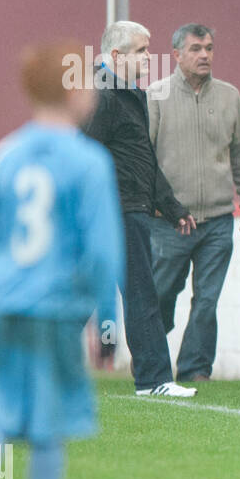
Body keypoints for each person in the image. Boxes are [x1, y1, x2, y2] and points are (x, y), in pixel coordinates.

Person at [0, 42, 124, 479]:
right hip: (56, 309)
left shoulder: (5, 155)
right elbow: (102, 252)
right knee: (49, 425)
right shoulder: (90, 161)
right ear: (74, 90)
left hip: (5, 303)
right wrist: (107, 324)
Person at [83, 21, 198, 398]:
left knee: (117, 293)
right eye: (141, 51)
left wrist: (171, 206)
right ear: (116, 56)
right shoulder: (103, 95)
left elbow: (142, 159)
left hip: (130, 208)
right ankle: (154, 381)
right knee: (138, 293)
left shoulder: (130, 94)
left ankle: (153, 380)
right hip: (116, 210)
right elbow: (85, 153)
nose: (150, 57)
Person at [146, 24, 240, 383]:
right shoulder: (156, 96)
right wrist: (155, 206)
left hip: (218, 220)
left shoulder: (229, 97)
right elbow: (144, 158)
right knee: (162, 293)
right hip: (168, 221)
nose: (204, 55)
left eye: (209, 48)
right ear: (176, 55)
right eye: (195, 49)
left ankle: (195, 369)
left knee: (207, 301)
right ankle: (150, 357)